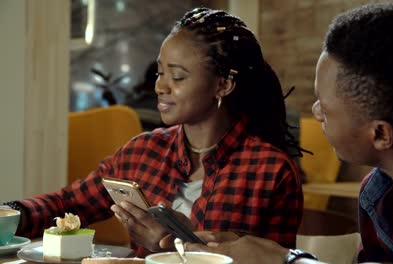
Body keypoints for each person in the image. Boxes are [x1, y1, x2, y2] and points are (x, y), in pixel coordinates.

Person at [3, 7, 306, 257]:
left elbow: (275, 262)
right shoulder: (142, 152)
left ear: (223, 84)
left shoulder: (271, 170)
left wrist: (167, 244)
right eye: (161, 72)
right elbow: (69, 204)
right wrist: (9, 214)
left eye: (178, 76)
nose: (160, 86)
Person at [185, 3, 393, 263]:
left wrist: (285, 260)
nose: (316, 111)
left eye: (325, 105)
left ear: (381, 134)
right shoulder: (380, 191)